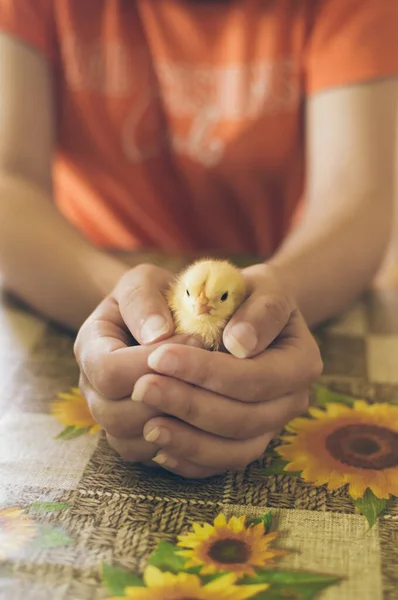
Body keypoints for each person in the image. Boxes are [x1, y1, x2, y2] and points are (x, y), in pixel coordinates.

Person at [0, 1, 397, 479]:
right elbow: (8, 184)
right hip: (71, 293)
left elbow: (357, 199)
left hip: (291, 306)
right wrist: (122, 304)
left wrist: (272, 307)